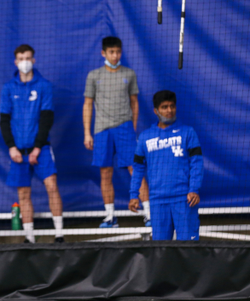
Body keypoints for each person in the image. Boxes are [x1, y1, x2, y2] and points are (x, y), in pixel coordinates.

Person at [83, 36, 151, 228]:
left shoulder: (129, 74)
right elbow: (87, 104)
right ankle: (110, 217)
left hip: (125, 129)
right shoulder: (93, 76)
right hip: (102, 131)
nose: (115, 55)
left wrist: (132, 128)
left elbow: (134, 103)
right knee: (105, 173)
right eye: (111, 52)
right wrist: (87, 133)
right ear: (103, 53)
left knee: (135, 169)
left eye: (118, 52)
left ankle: (149, 214)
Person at [0, 44, 64, 244]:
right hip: (18, 151)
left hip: (41, 149)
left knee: (51, 186)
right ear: (15, 61)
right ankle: (29, 237)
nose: (24, 62)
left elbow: (47, 118)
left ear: (33, 60)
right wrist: (11, 146)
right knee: (23, 193)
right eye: (21, 58)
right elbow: (4, 120)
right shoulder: (9, 88)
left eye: (28, 58)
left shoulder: (43, 85)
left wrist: (37, 147)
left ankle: (60, 234)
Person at [129, 90, 203, 240]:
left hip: (184, 200)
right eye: (164, 107)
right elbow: (138, 168)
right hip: (157, 202)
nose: (169, 110)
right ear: (155, 111)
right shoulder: (145, 137)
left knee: (189, 248)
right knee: (161, 251)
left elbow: (197, 163)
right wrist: (133, 195)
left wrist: (194, 189)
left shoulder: (188, 132)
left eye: (172, 106)